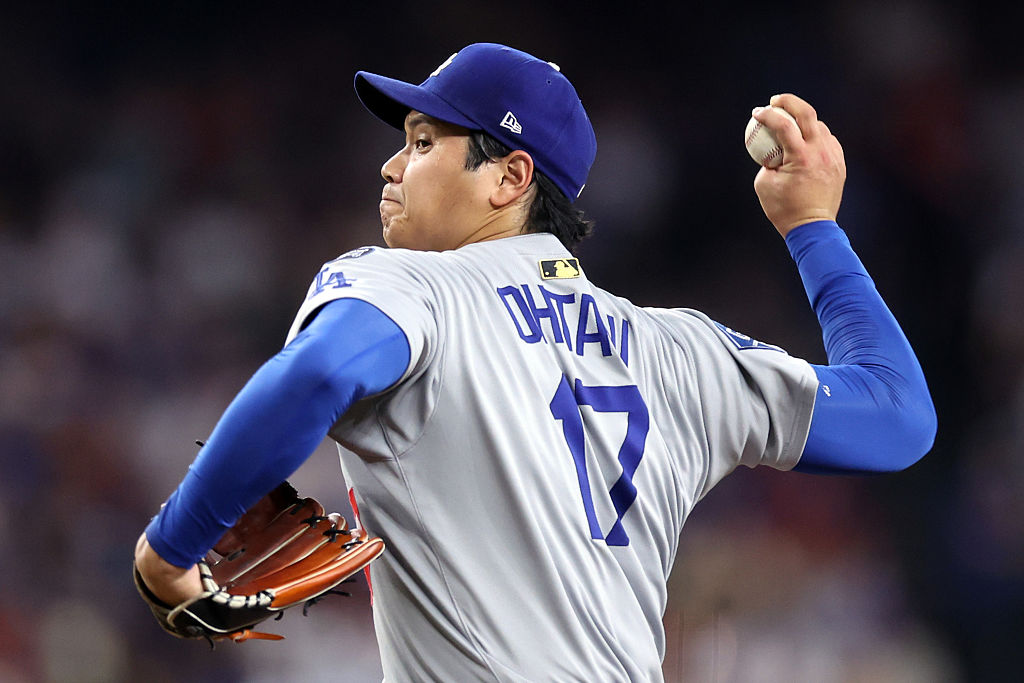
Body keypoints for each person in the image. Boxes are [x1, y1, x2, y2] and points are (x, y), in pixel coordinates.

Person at [134, 43, 936, 681]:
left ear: (510, 177)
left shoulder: (411, 287)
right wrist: (813, 227)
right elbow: (898, 416)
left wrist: (170, 549)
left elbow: (315, 374)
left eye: (421, 142)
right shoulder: (682, 348)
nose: (391, 166)